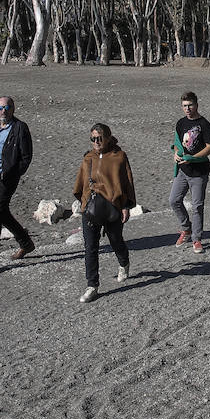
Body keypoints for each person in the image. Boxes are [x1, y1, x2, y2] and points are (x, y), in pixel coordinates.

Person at [72, 122, 137, 303]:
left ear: (107, 137)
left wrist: (126, 206)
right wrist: (84, 204)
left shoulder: (119, 156)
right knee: (90, 248)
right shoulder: (88, 158)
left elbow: (127, 183)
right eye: (93, 138)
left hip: (113, 207)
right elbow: (80, 185)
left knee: (116, 241)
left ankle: (124, 263)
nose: (96, 142)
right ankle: (92, 285)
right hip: (91, 210)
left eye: (99, 138)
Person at [0, 95, 34, 277]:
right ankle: (26, 243)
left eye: (7, 108)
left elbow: (26, 157)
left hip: (6, 180)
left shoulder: (19, 128)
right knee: (2, 214)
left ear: (13, 109)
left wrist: (12, 174)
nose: (4, 111)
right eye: (0, 108)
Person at [170, 91, 210, 254]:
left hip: (199, 172)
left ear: (196, 105)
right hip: (183, 170)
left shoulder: (205, 124)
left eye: (190, 105)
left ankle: (196, 239)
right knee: (174, 200)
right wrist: (176, 153)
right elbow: (176, 143)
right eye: (184, 106)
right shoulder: (181, 123)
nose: (187, 109)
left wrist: (193, 158)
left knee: (197, 206)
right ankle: (186, 229)